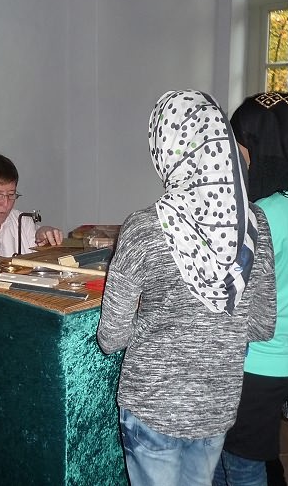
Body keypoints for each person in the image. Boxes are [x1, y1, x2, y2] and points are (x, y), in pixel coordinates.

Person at [97, 89, 276, 486]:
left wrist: (157, 319)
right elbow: (263, 326)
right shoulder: (255, 225)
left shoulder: (143, 227)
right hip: (216, 404)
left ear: (165, 150)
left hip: (153, 404)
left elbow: (111, 338)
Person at [214, 92, 288, 486]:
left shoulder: (267, 213)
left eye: (240, 144)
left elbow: (227, 289)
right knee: (249, 456)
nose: (236, 155)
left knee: (239, 465)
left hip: (256, 361)